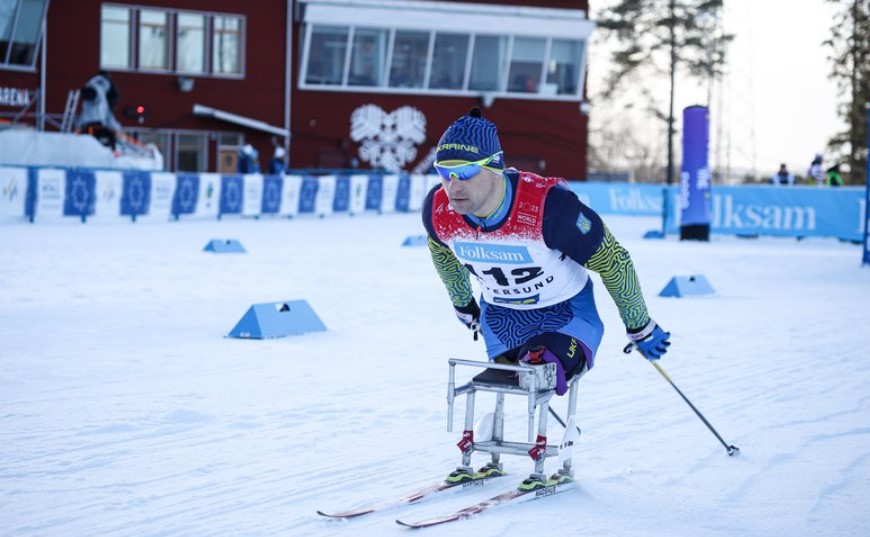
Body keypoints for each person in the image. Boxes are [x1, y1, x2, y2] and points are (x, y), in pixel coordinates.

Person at [422, 108, 671, 478]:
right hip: (503, 319)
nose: (453, 185)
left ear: (494, 166)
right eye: (444, 173)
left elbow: (614, 261)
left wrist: (640, 326)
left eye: (465, 173)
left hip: (566, 313)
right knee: (507, 377)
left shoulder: (550, 208)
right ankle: (490, 443)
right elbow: (441, 251)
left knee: (540, 367)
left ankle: (555, 450)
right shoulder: (439, 209)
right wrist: (463, 304)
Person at [76, 72, 122, 150]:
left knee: (108, 139)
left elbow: (109, 118)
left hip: (93, 124)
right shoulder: (97, 88)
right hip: (92, 124)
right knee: (104, 140)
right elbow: (91, 94)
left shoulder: (102, 96)